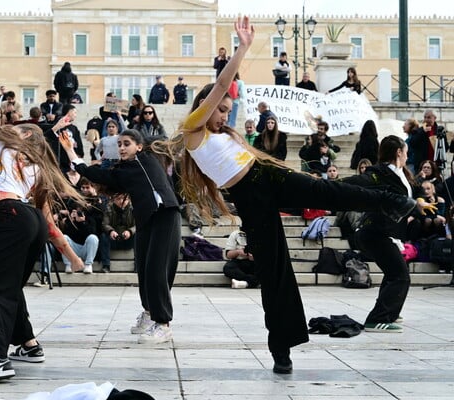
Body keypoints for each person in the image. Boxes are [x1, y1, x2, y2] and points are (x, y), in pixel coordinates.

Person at [169, 16, 422, 374]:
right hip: (250, 197)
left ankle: (392, 200)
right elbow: (224, 82)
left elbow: (234, 110)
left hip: (268, 177)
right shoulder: (193, 130)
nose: (222, 114)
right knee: (274, 271)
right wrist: (242, 48)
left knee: (327, 189)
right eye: (219, 108)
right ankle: (281, 349)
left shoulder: (229, 135)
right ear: (204, 105)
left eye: (226, 110)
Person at [0, 101, 85, 385]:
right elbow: (47, 223)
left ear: (27, 136)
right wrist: (71, 256)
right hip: (26, 220)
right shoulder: (37, 168)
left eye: (20, 128)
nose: (13, 127)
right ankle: (28, 345)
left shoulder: (3, 138)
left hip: (7, 215)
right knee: (7, 287)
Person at [59, 128, 181, 344]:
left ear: (139, 146)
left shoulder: (147, 159)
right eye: (119, 145)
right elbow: (95, 173)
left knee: (156, 269)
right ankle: (148, 312)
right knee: (143, 269)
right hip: (145, 219)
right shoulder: (123, 171)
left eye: (127, 143)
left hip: (165, 214)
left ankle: (163, 324)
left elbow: (165, 140)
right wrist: (70, 151)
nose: (122, 148)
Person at [343, 136, 435, 333]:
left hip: (386, 233)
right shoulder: (379, 173)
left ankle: (389, 311)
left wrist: (419, 201)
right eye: (406, 150)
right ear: (398, 152)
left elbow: (410, 194)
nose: (408, 154)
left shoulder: (402, 174)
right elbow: (357, 182)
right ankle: (378, 319)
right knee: (400, 275)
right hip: (374, 232)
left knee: (395, 272)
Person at [44, 104, 84, 172]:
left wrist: (79, 154)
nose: (75, 115)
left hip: (70, 158)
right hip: (59, 159)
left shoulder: (74, 128)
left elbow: (78, 143)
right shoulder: (57, 126)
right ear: (69, 112)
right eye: (74, 112)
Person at [101, 193, 136, 273]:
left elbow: (137, 225)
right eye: (118, 199)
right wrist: (111, 231)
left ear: (129, 200)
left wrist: (130, 231)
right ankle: (106, 265)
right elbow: (105, 224)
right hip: (114, 239)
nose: (121, 201)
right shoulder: (109, 208)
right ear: (114, 199)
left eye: (124, 199)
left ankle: (137, 265)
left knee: (138, 236)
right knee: (103, 236)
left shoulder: (133, 209)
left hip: (128, 239)